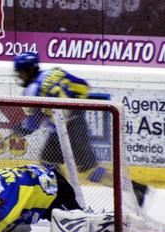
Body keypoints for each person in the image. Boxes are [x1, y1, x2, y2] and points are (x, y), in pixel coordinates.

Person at [12, 51, 149, 207]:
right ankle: (63, 196)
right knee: (48, 163)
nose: (19, 76)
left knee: (88, 171)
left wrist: (21, 129)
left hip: (66, 128)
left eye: (20, 72)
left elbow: (33, 123)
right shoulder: (56, 72)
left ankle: (135, 188)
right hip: (72, 124)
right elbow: (84, 86)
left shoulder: (31, 89)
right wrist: (65, 107)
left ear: (29, 70)